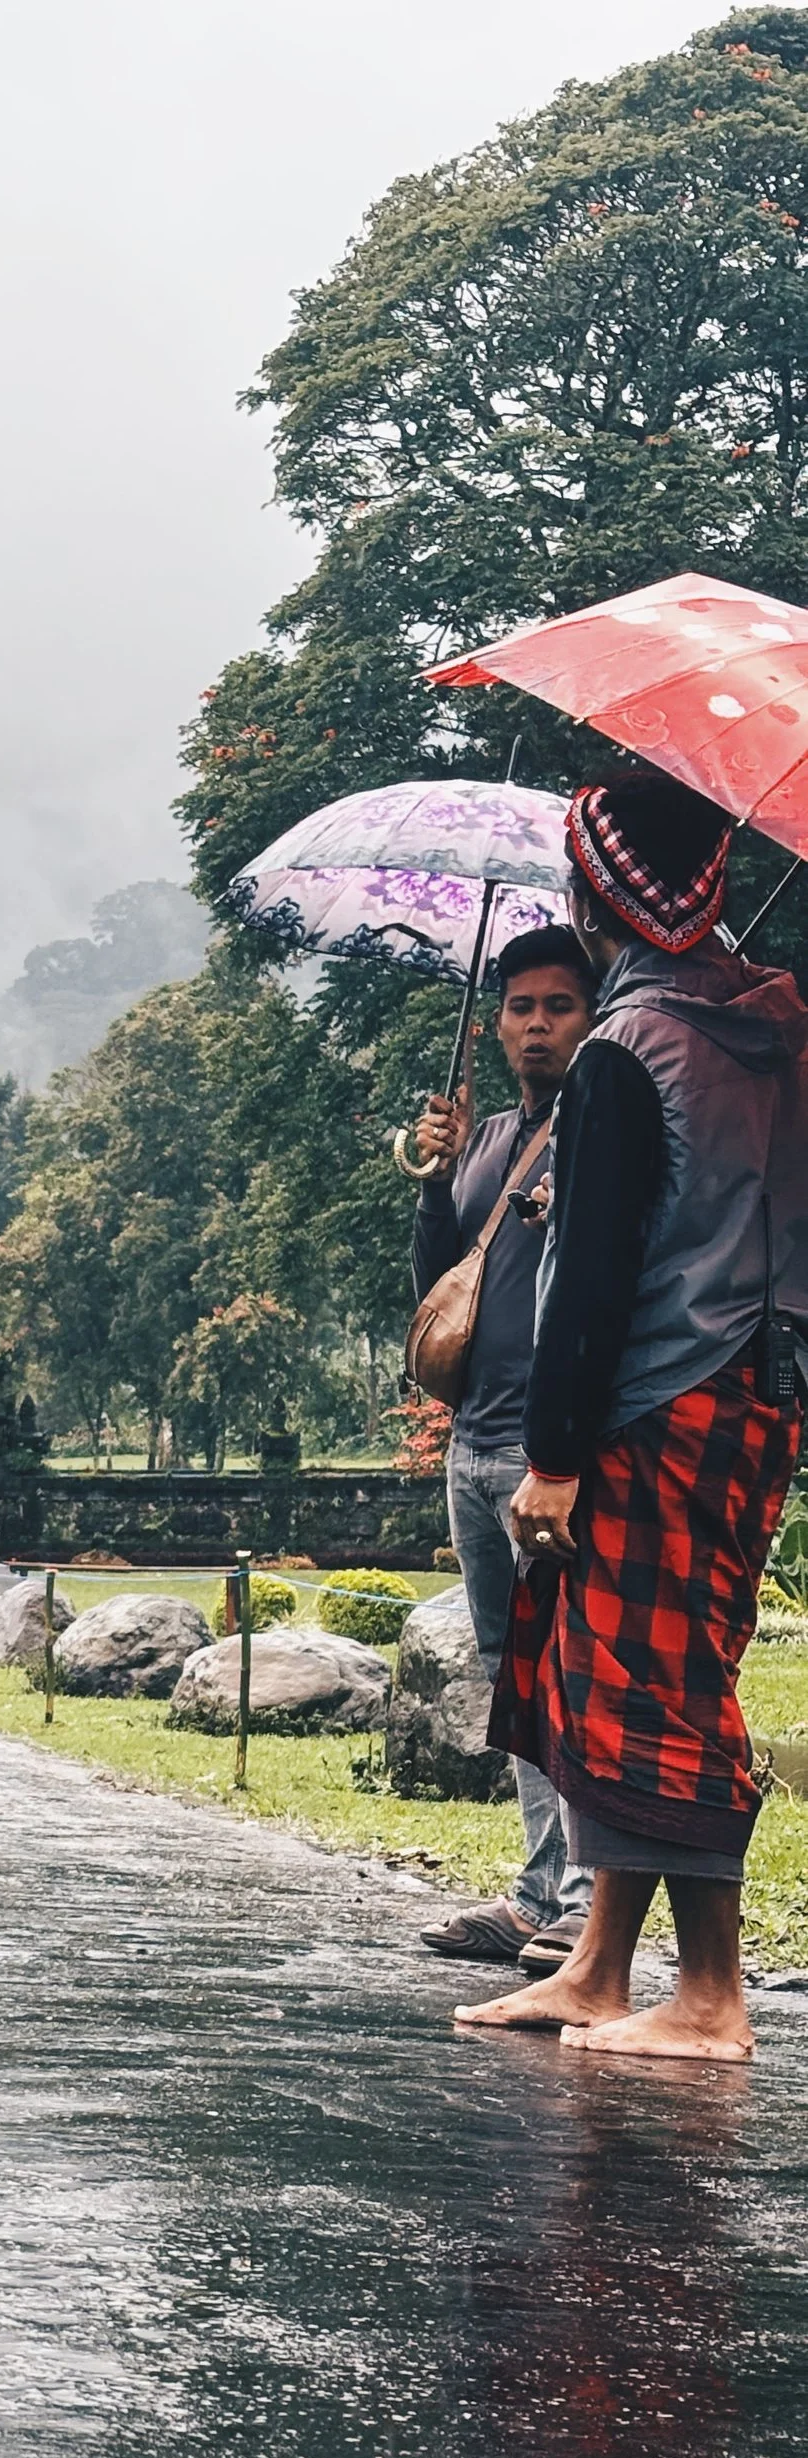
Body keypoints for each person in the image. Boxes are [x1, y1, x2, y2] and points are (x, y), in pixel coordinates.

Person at [457, 773, 808, 2063]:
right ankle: (600, 1964)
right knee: (617, 1664)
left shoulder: (626, 1048)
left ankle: (709, 1994)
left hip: (653, 1397)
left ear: (594, 890)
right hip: (758, 1387)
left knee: (654, 1678)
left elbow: (594, 1273)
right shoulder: (776, 1024)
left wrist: (552, 1457)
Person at [410, 925, 599, 1976]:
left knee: (566, 1669)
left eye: (558, 1006)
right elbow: (434, 1287)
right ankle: (534, 1891)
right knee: (507, 1676)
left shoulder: (603, 1129)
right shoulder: (482, 1139)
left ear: (590, 1014)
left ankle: (583, 1900)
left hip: (550, 1450)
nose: (537, 1024)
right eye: (521, 1007)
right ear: (497, 1023)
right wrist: (435, 1180)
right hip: (471, 1440)